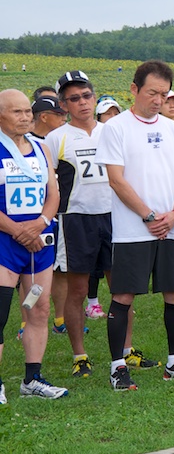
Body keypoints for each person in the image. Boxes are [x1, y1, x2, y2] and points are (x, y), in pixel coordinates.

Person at [96, 60, 174, 391]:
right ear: (134, 89)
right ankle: (117, 366)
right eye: (152, 92)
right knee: (124, 295)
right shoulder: (116, 128)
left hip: (172, 225)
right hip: (133, 228)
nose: (158, 99)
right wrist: (148, 215)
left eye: (164, 94)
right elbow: (116, 179)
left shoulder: (172, 128)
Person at [46, 70, 154, 379]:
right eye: (73, 99)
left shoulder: (112, 130)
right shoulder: (56, 138)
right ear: (64, 105)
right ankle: (80, 355)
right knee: (78, 289)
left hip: (116, 215)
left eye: (86, 96)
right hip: (76, 220)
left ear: (95, 97)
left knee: (122, 287)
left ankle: (126, 350)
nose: (82, 103)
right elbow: (50, 183)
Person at [0, 89, 67, 402]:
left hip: (39, 240)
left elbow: (53, 192)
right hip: (5, 241)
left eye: (27, 111)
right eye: (17, 112)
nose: (25, 117)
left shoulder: (42, 148)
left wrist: (40, 223)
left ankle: (32, 379)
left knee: (39, 310)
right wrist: (16, 230)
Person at [28, 96, 69, 334]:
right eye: (59, 114)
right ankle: (27, 322)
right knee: (29, 272)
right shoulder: (26, 143)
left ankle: (59, 319)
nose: (64, 118)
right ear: (44, 116)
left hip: (54, 216)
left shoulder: (51, 143)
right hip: (31, 219)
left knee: (59, 269)